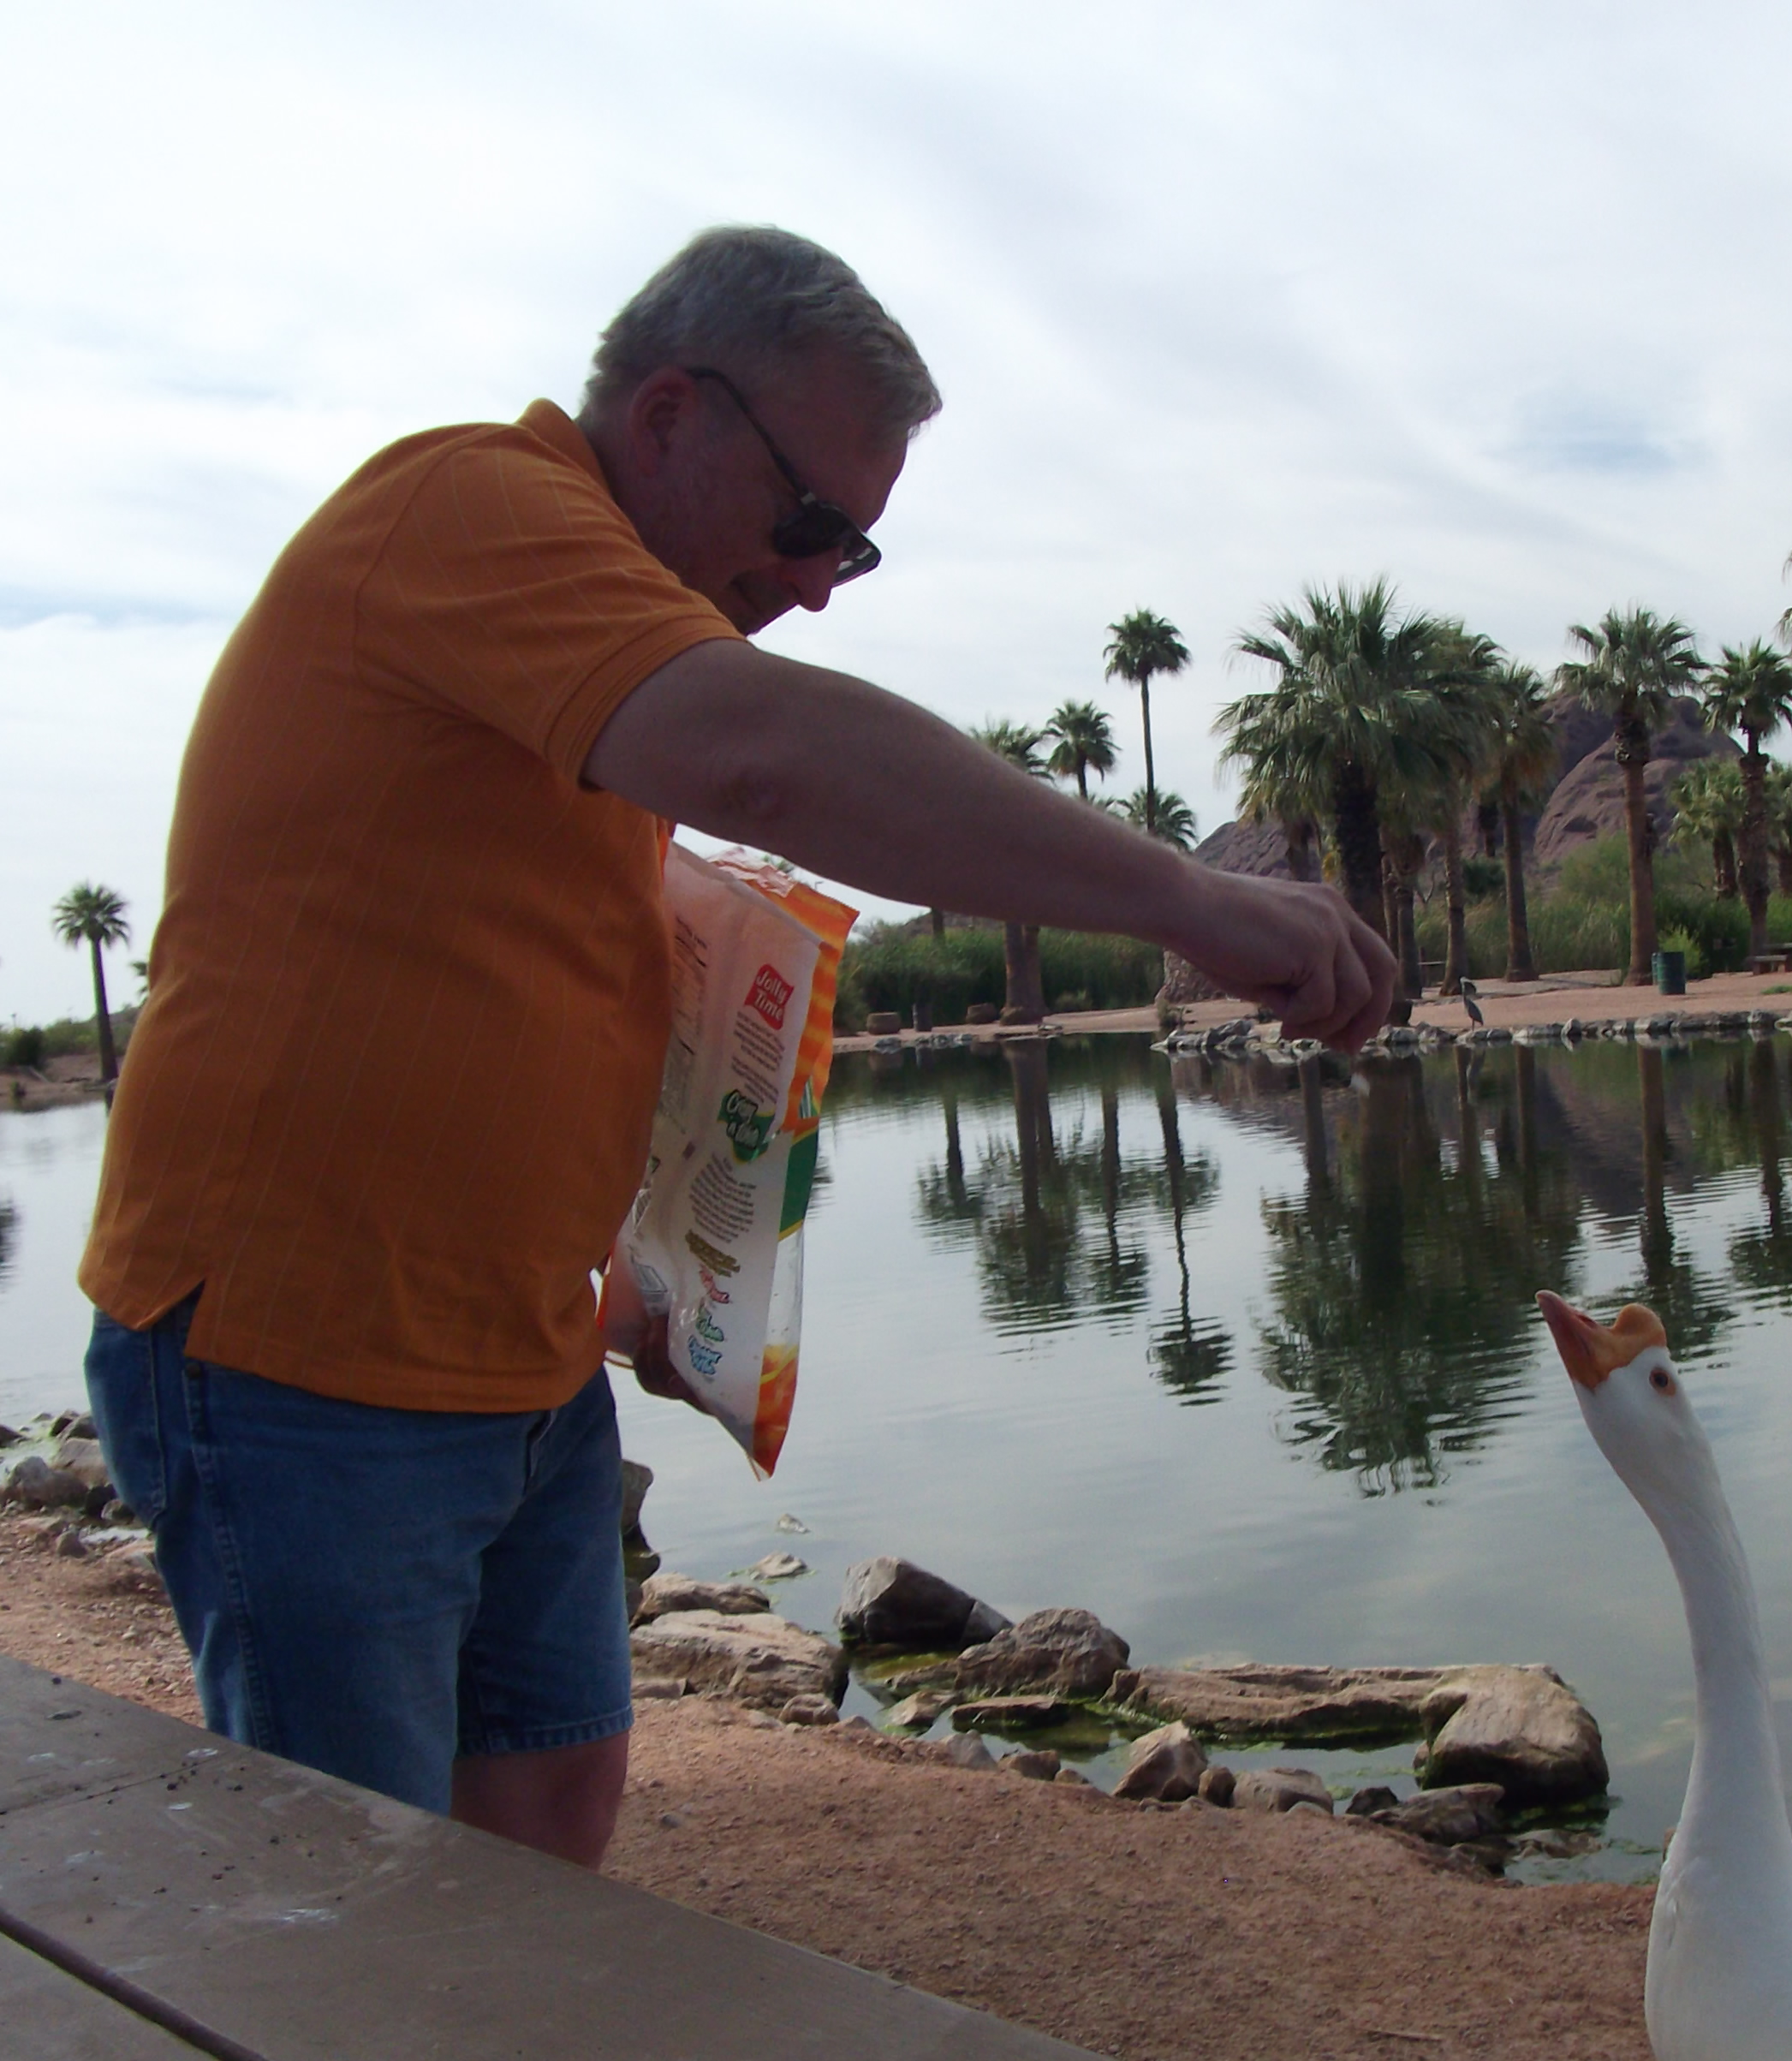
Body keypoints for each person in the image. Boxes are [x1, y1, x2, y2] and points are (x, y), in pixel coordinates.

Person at [79, 227, 1392, 1868]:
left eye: (856, 550)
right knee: (357, 1903)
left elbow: (507, 969)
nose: (819, 582)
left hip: (516, 1353)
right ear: (670, 414)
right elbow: (767, 756)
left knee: (549, 1822)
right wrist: (1195, 904)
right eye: (809, 521)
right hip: (306, 1363)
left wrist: (642, 1274)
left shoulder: (585, 644)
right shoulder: (469, 504)